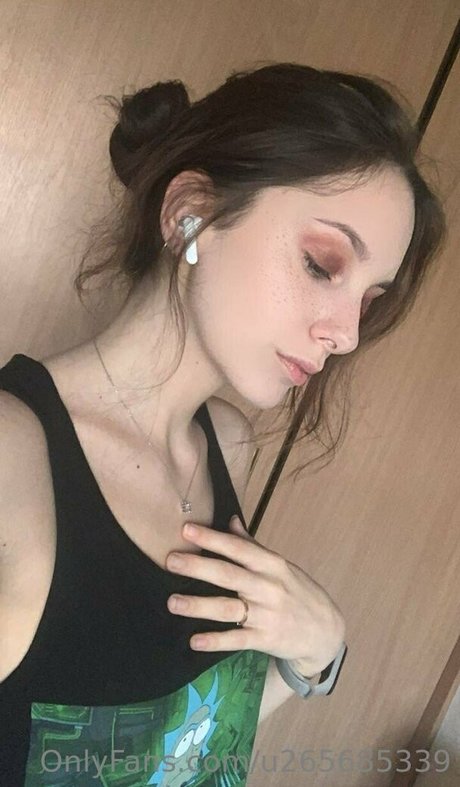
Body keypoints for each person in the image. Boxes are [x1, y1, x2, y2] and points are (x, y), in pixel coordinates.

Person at [0, 62, 446, 786]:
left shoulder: (225, 445)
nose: (346, 334)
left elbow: (173, 748)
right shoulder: (12, 461)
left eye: (369, 299)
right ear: (191, 213)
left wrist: (314, 658)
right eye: (322, 263)